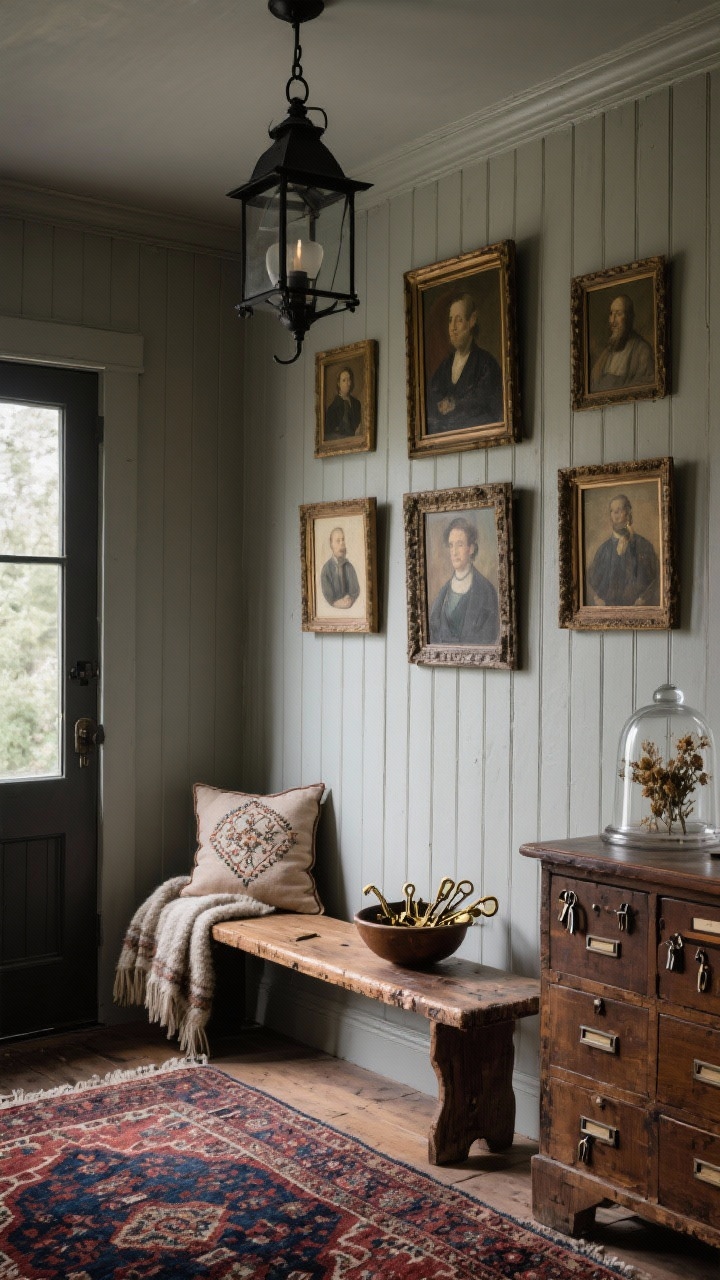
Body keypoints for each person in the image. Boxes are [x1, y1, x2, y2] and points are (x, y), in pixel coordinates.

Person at [426, 292, 503, 433]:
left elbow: (485, 405)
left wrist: (454, 404)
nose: (452, 327)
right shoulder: (445, 366)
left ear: (472, 321)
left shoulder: (487, 364)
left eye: (459, 320)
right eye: (450, 320)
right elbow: (431, 399)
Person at [428, 516, 500, 645]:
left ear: (471, 548)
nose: (454, 552)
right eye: (451, 545)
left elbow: (489, 639)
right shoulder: (442, 594)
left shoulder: (486, 591)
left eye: (460, 544)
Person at [587, 493, 659, 606]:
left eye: (620, 510)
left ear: (628, 513)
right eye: (613, 511)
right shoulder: (603, 549)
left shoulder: (644, 545)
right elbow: (591, 580)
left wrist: (644, 599)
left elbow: (656, 578)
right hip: (608, 612)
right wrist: (596, 598)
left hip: (639, 612)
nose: (616, 514)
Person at [590, 294, 655, 393]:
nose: (612, 321)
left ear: (629, 317)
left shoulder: (642, 350)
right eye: (611, 313)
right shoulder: (607, 352)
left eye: (618, 314)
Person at [320, 527, 360, 609]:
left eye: (343, 540)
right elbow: (329, 598)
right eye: (338, 541)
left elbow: (355, 590)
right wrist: (336, 603)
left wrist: (350, 598)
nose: (342, 543)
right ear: (331, 545)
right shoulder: (326, 570)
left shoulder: (349, 567)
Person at [324, 367, 362, 440]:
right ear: (339, 384)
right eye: (344, 380)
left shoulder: (357, 404)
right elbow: (329, 434)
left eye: (349, 380)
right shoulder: (332, 408)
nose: (348, 383)